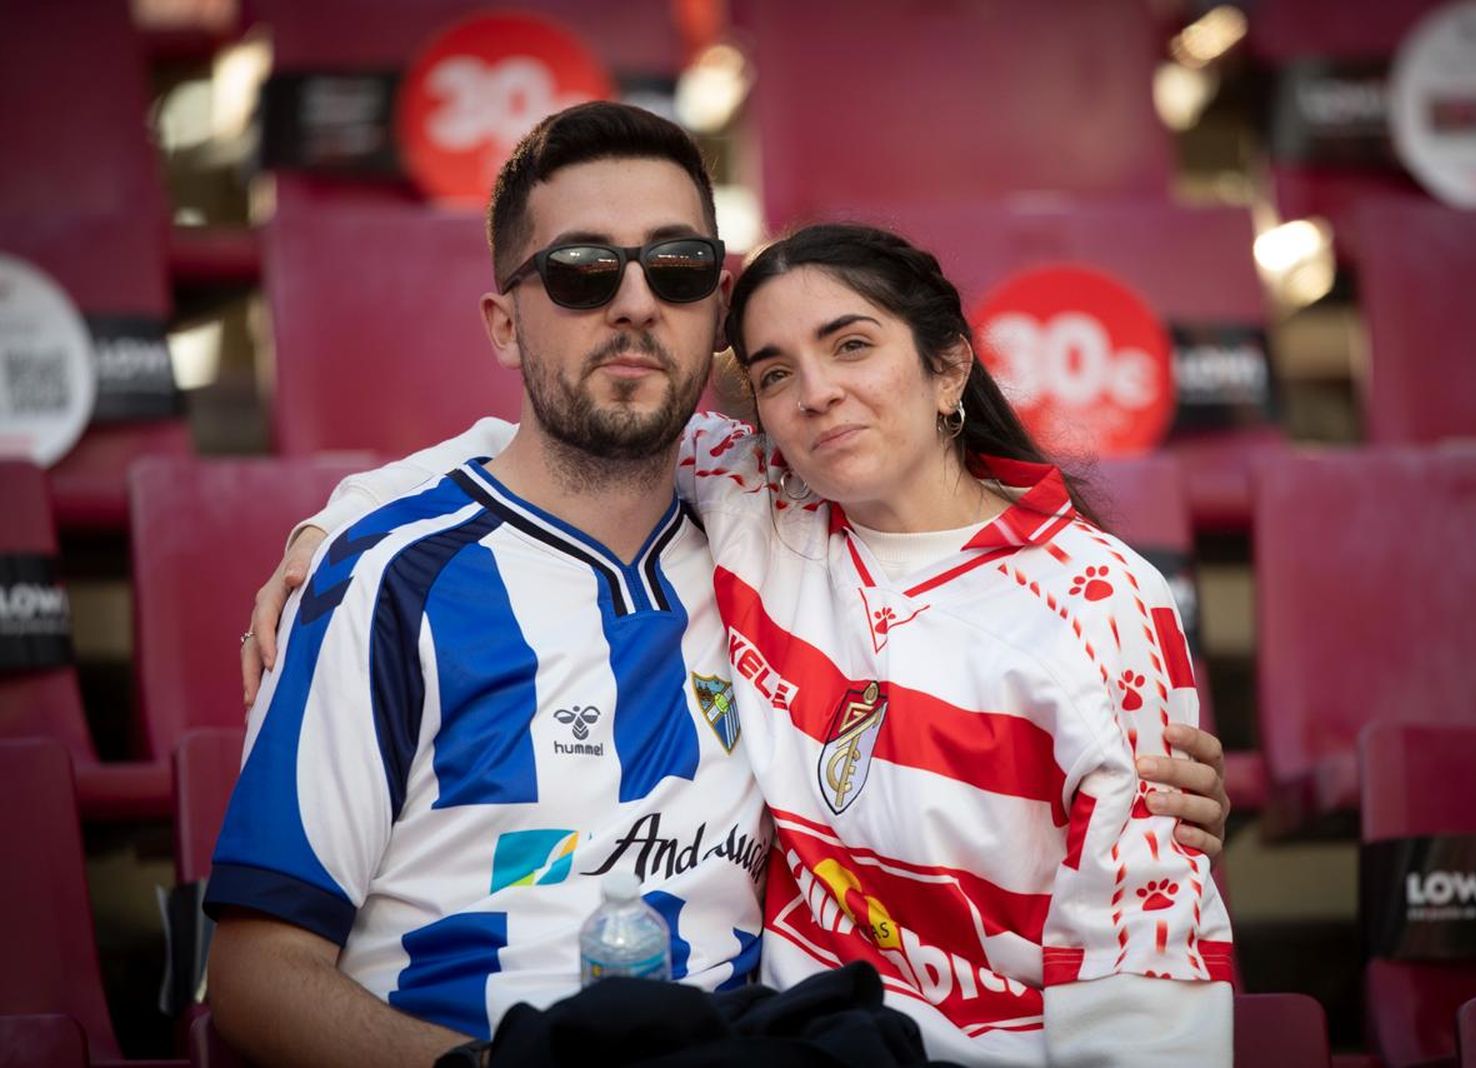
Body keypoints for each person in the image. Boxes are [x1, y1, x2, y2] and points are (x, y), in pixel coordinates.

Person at [235, 103, 1234, 1065]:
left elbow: (1140, 919)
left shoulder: (803, 524)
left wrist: (1134, 796)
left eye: (675, 269)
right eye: (582, 273)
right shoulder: (405, 578)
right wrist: (338, 523)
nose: (634, 302)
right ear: (505, 323)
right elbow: (251, 977)